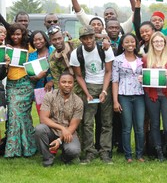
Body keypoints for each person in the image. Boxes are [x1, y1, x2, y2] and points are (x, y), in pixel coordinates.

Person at [69, 25, 115, 164]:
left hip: (104, 85)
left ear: (94, 37)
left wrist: (104, 91)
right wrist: (87, 93)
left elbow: (108, 72)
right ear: (81, 39)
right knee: (88, 122)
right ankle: (89, 152)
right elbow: (78, 76)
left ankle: (105, 152)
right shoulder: (76, 53)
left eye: (90, 37)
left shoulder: (104, 49)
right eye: (85, 38)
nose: (88, 41)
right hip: (88, 85)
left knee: (107, 122)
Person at [35, 72, 83, 167]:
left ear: (73, 84)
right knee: (39, 129)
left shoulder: (78, 101)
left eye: (70, 82)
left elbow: (73, 125)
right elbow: (43, 119)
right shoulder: (49, 96)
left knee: (74, 151)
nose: (67, 85)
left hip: (69, 132)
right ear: (59, 83)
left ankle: (65, 156)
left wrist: (60, 140)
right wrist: (62, 128)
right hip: (51, 130)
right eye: (64, 82)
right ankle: (48, 158)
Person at [142, 31, 167, 162]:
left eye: (161, 41)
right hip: (152, 95)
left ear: (165, 43)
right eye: (156, 41)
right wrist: (141, 78)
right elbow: (142, 74)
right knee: (155, 124)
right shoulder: (145, 58)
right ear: (151, 43)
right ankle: (159, 151)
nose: (158, 44)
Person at [112, 33, 145, 163]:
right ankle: (128, 155)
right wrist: (115, 101)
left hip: (139, 95)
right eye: (127, 42)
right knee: (126, 126)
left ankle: (139, 154)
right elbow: (115, 81)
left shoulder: (141, 59)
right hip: (124, 95)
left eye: (132, 42)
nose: (130, 44)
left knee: (140, 126)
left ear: (136, 43)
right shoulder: (117, 60)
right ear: (122, 44)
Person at [4, 23, 36, 158]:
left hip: (26, 84)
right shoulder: (5, 49)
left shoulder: (29, 48)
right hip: (11, 85)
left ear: (22, 34)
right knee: (13, 115)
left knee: (24, 117)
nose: (15, 36)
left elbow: (35, 64)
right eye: (13, 34)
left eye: (18, 34)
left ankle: (29, 149)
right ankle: (13, 150)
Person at [66, 0, 134, 35]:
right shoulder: (98, 26)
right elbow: (80, 14)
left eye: (111, 13)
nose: (109, 15)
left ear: (116, 15)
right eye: (106, 14)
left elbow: (136, 14)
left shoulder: (123, 27)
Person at [48, 25, 81, 94]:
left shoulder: (74, 44)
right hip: (71, 88)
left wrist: (104, 37)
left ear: (63, 37)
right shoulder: (52, 59)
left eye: (59, 38)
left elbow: (89, 39)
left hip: (84, 82)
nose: (57, 41)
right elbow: (57, 80)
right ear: (50, 41)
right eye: (54, 40)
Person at [28, 30, 54, 115]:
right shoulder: (31, 56)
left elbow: (63, 71)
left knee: (56, 115)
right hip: (40, 90)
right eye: (34, 40)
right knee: (42, 115)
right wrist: (37, 77)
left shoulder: (53, 51)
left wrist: (52, 81)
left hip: (56, 89)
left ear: (45, 39)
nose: (37, 42)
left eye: (40, 39)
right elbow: (30, 76)